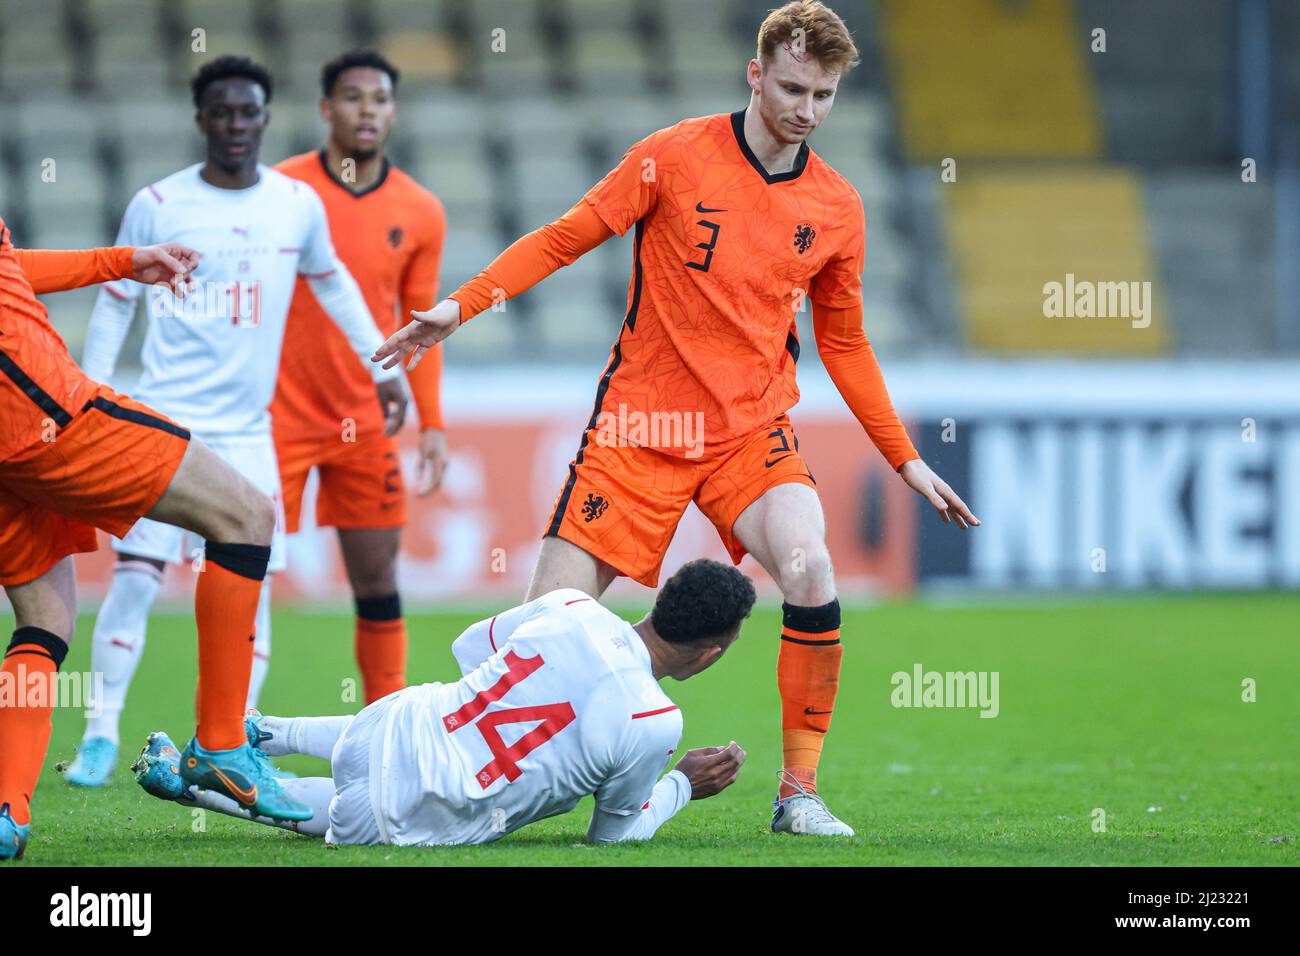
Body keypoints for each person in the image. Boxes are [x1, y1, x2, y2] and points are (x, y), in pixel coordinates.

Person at [372, 1, 979, 836]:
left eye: (826, 95)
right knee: (536, 648)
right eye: (794, 87)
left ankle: (797, 793)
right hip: (640, 432)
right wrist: (459, 308)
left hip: (748, 433)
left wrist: (905, 458)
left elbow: (844, 343)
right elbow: (565, 236)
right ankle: (428, 767)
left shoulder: (836, 207)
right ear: (755, 73)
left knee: (810, 569)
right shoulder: (673, 157)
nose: (807, 109)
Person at [64, 55, 407, 788]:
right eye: (221, 112)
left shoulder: (294, 205)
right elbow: (115, 300)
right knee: (136, 573)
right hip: (164, 418)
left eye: (248, 113)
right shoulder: (157, 203)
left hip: (249, 429)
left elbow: (335, 284)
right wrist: (91, 389)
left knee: (251, 585)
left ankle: (228, 735)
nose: (236, 126)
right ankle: (99, 732)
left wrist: (385, 366)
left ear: (264, 118)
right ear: (201, 120)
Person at [0, 226, 314, 861]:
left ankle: (8, 809)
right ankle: (221, 745)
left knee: (45, 620)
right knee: (246, 516)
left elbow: (9, 263)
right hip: (35, 407)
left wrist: (120, 262)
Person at [134, 559, 752, 846]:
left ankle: (256, 730)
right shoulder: (655, 723)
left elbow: (467, 647)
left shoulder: (573, 607)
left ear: (660, 599)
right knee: (354, 802)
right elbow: (612, 838)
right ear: (710, 655)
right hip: (406, 808)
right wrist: (679, 787)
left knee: (429, 717)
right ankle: (195, 784)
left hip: (392, 720)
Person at [272, 49, 448, 707]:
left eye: (378, 98)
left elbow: (420, 327)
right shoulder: (282, 192)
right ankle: (227, 725)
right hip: (276, 414)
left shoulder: (421, 210)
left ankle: (386, 720)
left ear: (394, 111)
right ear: (325, 108)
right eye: (351, 97)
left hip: (367, 418)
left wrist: (433, 423)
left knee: (377, 578)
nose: (366, 109)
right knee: (246, 570)